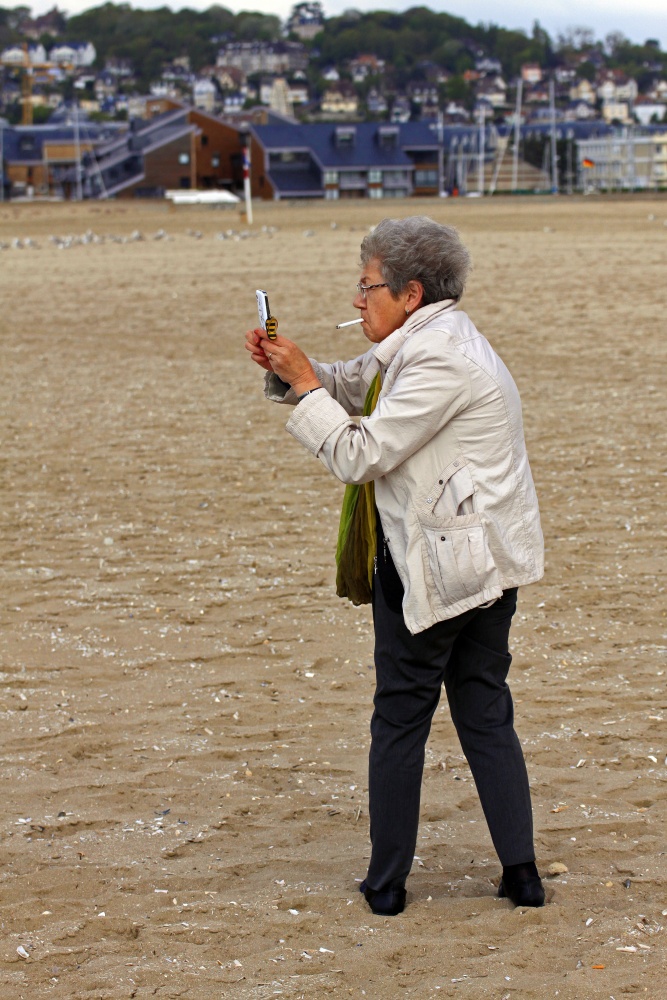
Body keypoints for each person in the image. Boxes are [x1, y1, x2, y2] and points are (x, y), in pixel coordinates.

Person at [244, 216, 545, 916]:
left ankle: (385, 884)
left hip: (443, 568)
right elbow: (358, 384)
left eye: (365, 286)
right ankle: (520, 875)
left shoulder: (437, 356)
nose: (356, 299)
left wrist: (303, 384)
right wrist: (293, 370)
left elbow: (358, 452)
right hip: (486, 565)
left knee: (401, 718)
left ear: (409, 293)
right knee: (484, 713)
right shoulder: (431, 340)